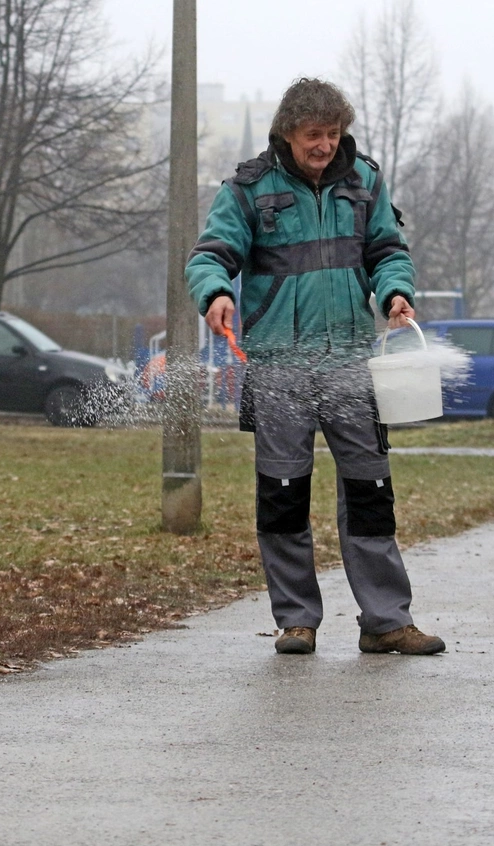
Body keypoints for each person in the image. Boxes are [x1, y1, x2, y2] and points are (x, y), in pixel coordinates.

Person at [185, 77, 444, 656]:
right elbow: (210, 255)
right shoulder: (248, 189)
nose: (324, 145)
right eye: (312, 135)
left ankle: (386, 621)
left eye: (332, 133)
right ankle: (296, 621)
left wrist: (395, 292)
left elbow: (387, 251)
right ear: (287, 134)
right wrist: (215, 292)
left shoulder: (365, 180)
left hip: (352, 361)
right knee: (283, 498)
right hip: (279, 367)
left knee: (371, 494)